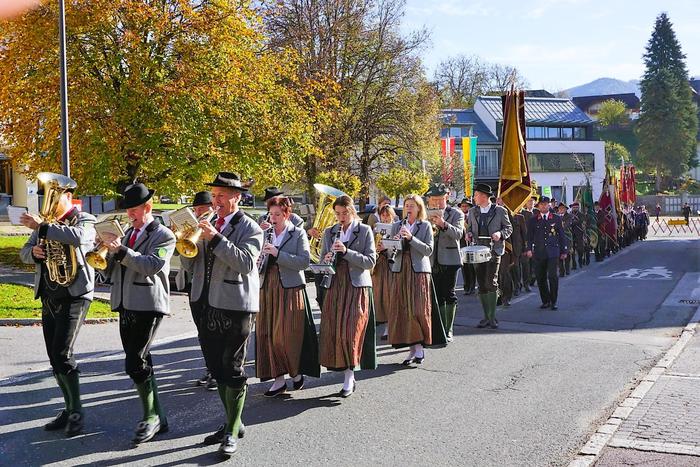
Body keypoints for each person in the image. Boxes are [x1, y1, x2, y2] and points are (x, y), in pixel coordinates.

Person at [179, 172, 263, 457]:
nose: (216, 202)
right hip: (204, 302)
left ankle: (231, 428)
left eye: (222, 196)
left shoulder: (250, 227)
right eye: (214, 196)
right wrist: (185, 245)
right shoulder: (209, 223)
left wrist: (214, 238)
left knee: (233, 368)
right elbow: (194, 266)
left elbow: (246, 263)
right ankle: (232, 420)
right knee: (216, 368)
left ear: (237, 197)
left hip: (236, 305)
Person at [19, 173, 96, 437]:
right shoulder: (45, 223)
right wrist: (35, 253)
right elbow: (23, 251)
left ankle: (77, 411)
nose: (48, 201)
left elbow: (79, 238)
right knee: (54, 357)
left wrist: (43, 228)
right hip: (50, 295)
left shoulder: (84, 218)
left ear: (66, 196)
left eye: (54, 195)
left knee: (63, 353)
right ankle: (68, 407)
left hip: (74, 294)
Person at [99, 183, 176, 444]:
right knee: (142, 361)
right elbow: (111, 271)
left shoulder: (163, 234)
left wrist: (120, 250)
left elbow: (152, 266)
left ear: (148, 207)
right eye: (128, 210)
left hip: (148, 303)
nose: (130, 215)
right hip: (124, 302)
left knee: (134, 362)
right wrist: (105, 253)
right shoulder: (128, 232)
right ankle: (159, 416)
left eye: (134, 209)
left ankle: (150, 417)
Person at [256, 195, 320, 397]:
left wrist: (277, 253)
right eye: (271, 214)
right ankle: (278, 380)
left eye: (277, 214)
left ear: (287, 214)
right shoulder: (265, 232)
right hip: (267, 287)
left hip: (290, 288)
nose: (273, 218)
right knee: (267, 334)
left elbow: (303, 262)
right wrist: (259, 256)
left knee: (285, 336)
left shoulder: (298, 233)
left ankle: (296, 372)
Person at [319, 195, 377, 397]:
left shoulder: (365, 230)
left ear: (352, 211)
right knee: (337, 332)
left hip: (356, 286)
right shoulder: (330, 232)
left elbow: (370, 262)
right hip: (335, 286)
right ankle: (345, 373)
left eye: (344, 213)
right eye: (337, 214)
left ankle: (350, 376)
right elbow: (322, 261)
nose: (341, 217)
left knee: (351, 331)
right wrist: (327, 258)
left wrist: (346, 251)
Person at [385, 194, 446, 364]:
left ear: (419, 208)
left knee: (418, 309)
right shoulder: (396, 225)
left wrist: (411, 239)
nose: (409, 208)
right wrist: (392, 244)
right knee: (403, 311)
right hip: (400, 270)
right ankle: (412, 350)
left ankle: (420, 346)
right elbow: (391, 251)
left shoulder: (425, 225)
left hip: (419, 271)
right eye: (406, 205)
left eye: (412, 205)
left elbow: (428, 250)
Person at [175, 191, 219, 391]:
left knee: (217, 331)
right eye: (196, 209)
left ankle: (219, 371)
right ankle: (210, 368)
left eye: (202, 208)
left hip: (218, 288)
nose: (198, 212)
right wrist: (183, 240)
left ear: (212, 208)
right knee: (203, 332)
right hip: (197, 288)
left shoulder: (217, 226)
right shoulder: (193, 230)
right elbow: (188, 264)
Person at [465, 184, 512, 329]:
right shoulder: (473, 211)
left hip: (494, 250)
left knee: (491, 282)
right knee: (482, 284)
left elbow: (508, 228)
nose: (474, 198)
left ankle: (492, 317)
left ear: (484, 196)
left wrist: (500, 234)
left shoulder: (500, 210)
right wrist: (469, 233)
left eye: (476, 195)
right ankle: (486, 316)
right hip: (478, 250)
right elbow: (470, 228)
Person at [425, 184, 464, 340]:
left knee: (449, 293)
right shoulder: (425, 213)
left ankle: (448, 329)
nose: (437, 203)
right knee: (436, 295)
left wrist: (443, 224)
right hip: (431, 259)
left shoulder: (456, 213)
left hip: (450, 259)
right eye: (434, 199)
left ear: (446, 198)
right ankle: (438, 329)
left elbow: (459, 234)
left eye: (440, 199)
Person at [525, 196, 569, 311]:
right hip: (539, 253)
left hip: (553, 252)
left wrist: (564, 250)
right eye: (542, 204)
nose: (544, 206)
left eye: (546, 204)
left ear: (549, 205)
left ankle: (553, 301)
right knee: (540, 277)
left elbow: (562, 235)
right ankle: (545, 301)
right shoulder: (533, 220)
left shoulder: (556, 218)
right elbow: (529, 237)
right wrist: (529, 249)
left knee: (553, 277)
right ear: (538, 206)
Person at [372, 204, 397, 340]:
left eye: (388, 215)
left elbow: (398, 249)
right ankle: (382, 321)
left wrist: (385, 247)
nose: (385, 217)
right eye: (383, 215)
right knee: (378, 296)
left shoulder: (397, 228)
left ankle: (390, 327)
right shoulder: (376, 229)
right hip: (378, 266)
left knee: (389, 297)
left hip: (391, 265)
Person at [458, 198, 476, 295]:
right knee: (464, 267)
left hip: (471, 244)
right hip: (462, 245)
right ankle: (466, 286)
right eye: (463, 206)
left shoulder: (472, 216)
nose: (464, 208)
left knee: (471, 267)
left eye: (466, 206)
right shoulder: (459, 217)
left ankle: (472, 286)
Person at [520, 196, 536, 291]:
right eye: (528, 201)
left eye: (532, 201)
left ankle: (531, 280)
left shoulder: (537, 212)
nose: (530, 203)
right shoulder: (522, 213)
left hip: (535, 241)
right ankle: (523, 284)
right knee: (524, 264)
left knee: (533, 263)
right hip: (523, 242)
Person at [569, 202, 588, 268]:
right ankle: (574, 264)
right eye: (574, 207)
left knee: (580, 249)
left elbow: (581, 221)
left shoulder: (581, 215)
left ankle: (580, 260)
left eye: (576, 207)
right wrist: (572, 222)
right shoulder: (570, 214)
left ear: (578, 208)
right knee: (572, 250)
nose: (575, 209)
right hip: (571, 233)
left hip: (579, 233)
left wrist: (573, 222)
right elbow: (568, 222)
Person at [556, 203, 573, 276]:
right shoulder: (555, 217)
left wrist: (559, 227)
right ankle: (561, 271)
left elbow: (567, 225)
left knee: (567, 253)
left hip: (566, 237)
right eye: (560, 209)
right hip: (558, 238)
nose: (561, 210)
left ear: (566, 209)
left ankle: (567, 269)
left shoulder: (569, 216)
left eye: (563, 208)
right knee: (559, 254)